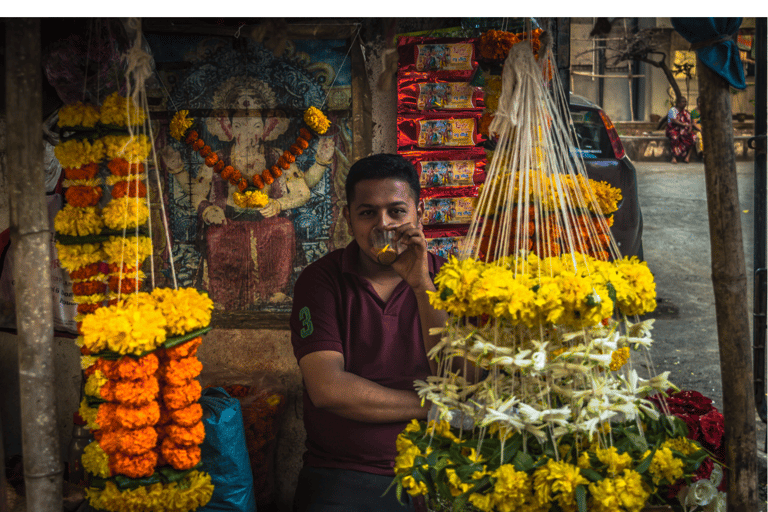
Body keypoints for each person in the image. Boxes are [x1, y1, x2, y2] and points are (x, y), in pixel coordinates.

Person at [289, 153, 449, 512]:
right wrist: (435, 408)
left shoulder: (449, 277)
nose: (384, 225)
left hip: (440, 462)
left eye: (396, 211)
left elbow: (458, 375)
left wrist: (422, 285)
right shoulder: (321, 281)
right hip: (345, 472)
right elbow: (328, 388)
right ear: (348, 219)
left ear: (418, 213)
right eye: (367, 213)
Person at [161, 77, 335, 309]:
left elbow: (303, 192)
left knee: (284, 229)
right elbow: (196, 191)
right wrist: (205, 208)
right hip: (228, 221)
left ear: (265, 129)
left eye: (255, 126)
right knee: (215, 236)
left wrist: (280, 204)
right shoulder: (216, 159)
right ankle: (223, 297)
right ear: (229, 129)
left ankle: (276, 292)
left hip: (268, 221)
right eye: (240, 126)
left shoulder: (278, 156)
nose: (248, 132)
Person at [665, 96, 695, 164]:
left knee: (693, 137)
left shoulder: (686, 112)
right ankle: (674, 157)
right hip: (673, 129)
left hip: (683, 130)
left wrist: (690, 128)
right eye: (683, 102)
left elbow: (689, 122)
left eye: (685, 102)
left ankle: (687, 157)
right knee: (674, 137)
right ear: (678, 103)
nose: (685, 103)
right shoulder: (673, 110)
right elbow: (673, 120)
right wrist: (683, 124)